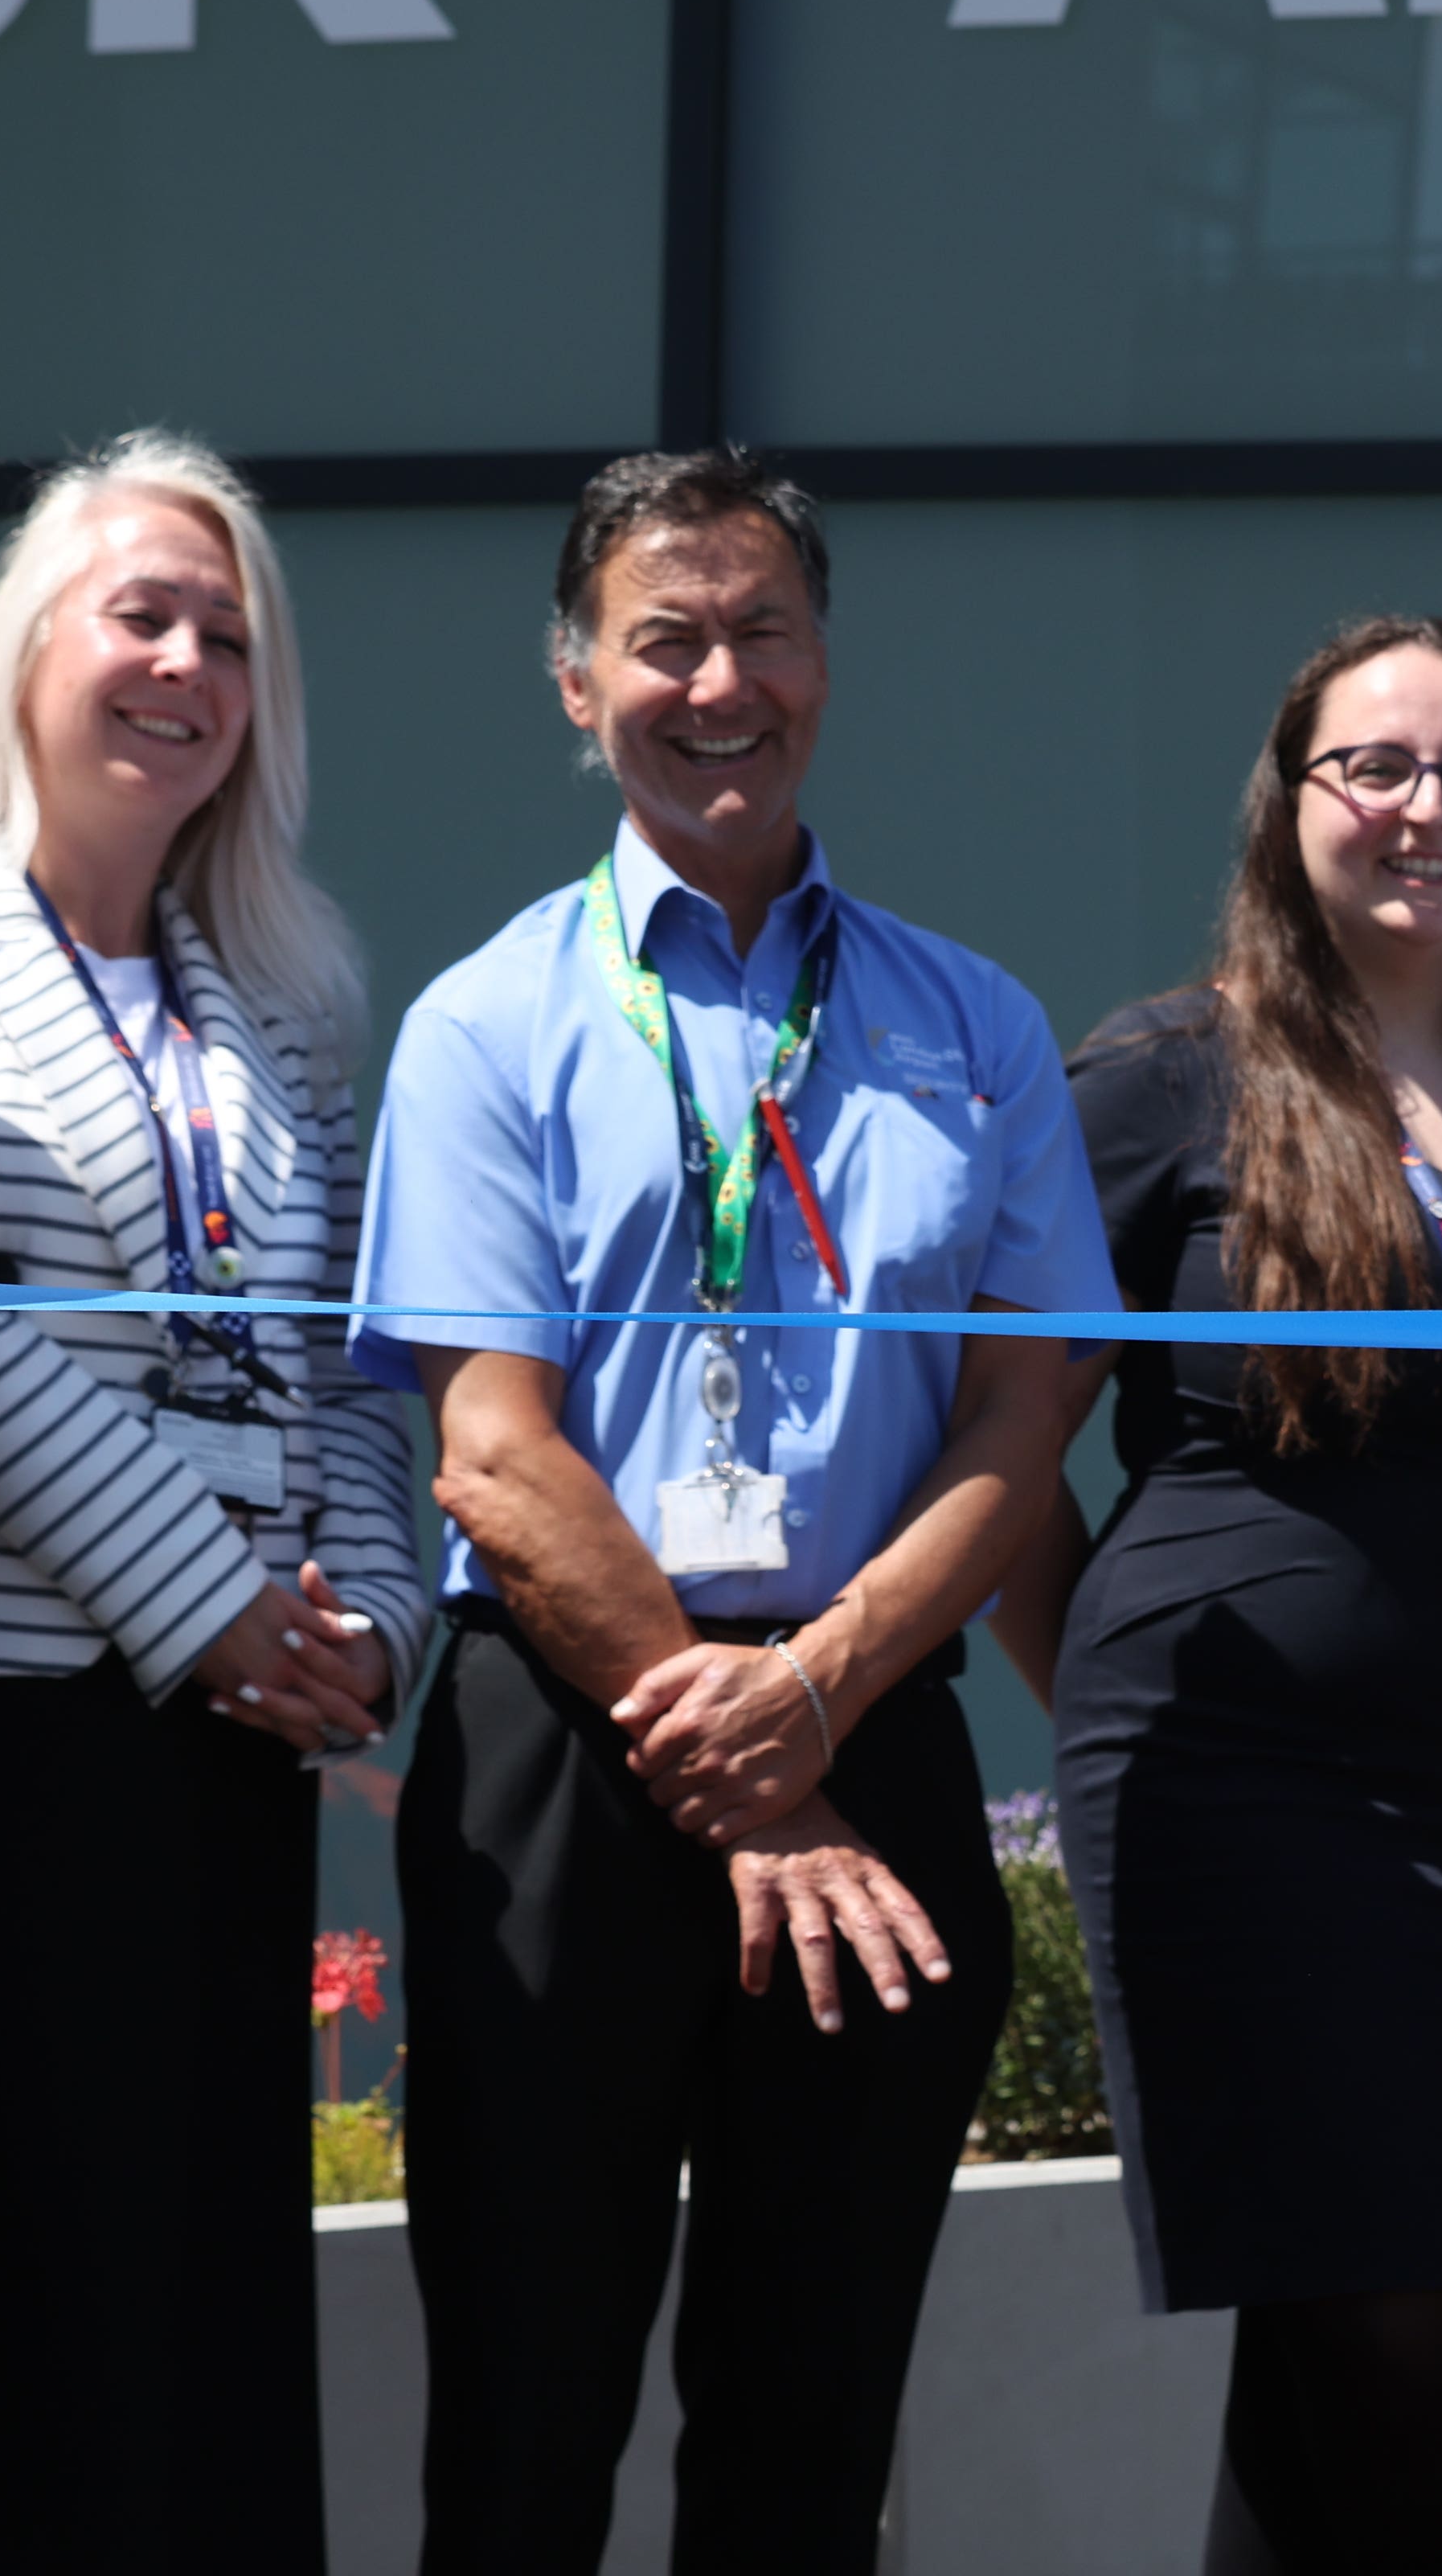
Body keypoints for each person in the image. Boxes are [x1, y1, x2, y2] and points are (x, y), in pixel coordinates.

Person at [354, 449, 1116, 2574]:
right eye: (665, 638)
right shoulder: (485, 1024)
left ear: (824, 661)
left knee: (810, 2415)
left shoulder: (971, 1025)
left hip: (877, 1717)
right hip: (562, 1754)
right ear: (576, 680)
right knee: (523, 2413)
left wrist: (827, 1693)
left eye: (763, 627)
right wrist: (747, 1766)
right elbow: (492, 1455)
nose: (721, 682)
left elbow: (1028, 1407)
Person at [0, 436, 431, 2572]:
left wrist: (364, 1620)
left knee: (203, 2341)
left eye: (229, 637)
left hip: (232, 1749)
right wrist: (204, 1598)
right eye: (142, 615)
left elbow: (343, 1359)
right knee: (4, 2342)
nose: (185, 664)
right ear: (29, 650)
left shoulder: (289, 996)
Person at [998, 613, 1442, 2576]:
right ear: (1292, 803)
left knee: (1361, 2336)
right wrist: (1125, 1680)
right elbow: (1002, 1448)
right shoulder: (1164, 1073)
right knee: (1413, 2341)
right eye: (1377, 765)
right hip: (1255, 1795)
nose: (1426, 807)